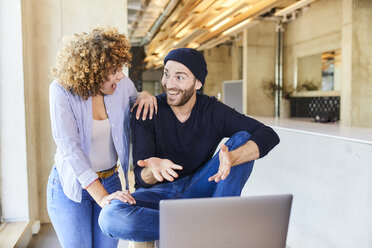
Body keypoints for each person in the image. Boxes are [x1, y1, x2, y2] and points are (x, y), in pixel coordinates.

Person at [99, 48, 280, 243]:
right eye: (167, 74)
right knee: (110, 216)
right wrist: (153, 170)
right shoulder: (148, 110)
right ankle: (212, 226)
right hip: (157, 195)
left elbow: (268, 134)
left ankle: (217, 217)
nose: (169, 83)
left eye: (180, 77)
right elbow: (143, 180)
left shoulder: (212, 110)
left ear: (198, 83)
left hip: (199, 187)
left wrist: (233, 158)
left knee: (243, 139)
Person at [47, 26, 157, 248]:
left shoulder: (122, 86)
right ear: (93, 70)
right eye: (115, 69)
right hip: (71, 185)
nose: (121, 75)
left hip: (111, 180)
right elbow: (69, 147)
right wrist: (100, 196)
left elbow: (137, 101)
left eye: (121, 68)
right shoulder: (61, 90)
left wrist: (145, 94)